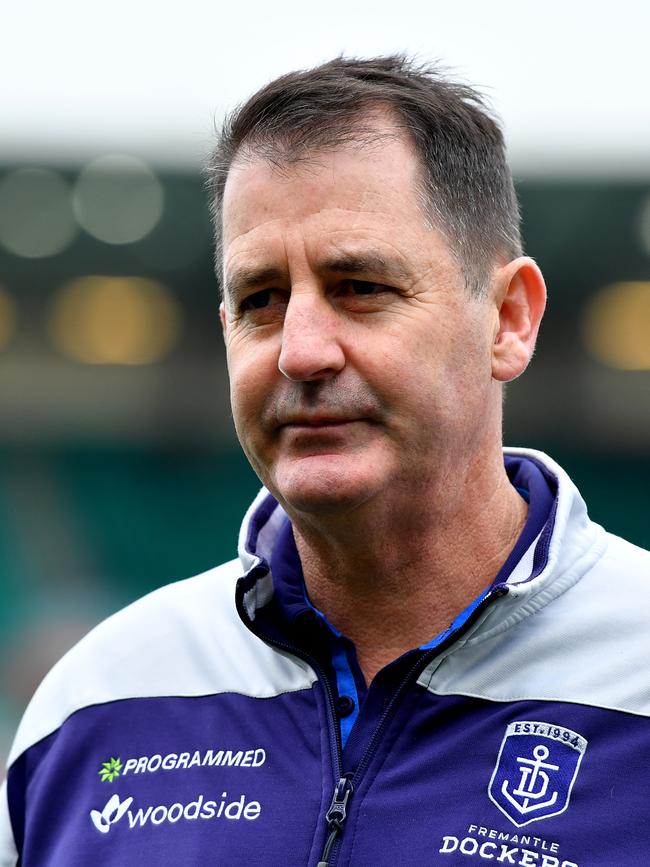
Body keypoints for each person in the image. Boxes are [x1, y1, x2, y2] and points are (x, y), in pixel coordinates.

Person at [2, 55, 649, 867]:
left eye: (361, 286)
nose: (300, 352)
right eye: (260, 300)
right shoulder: (93, 704)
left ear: (510, 320)